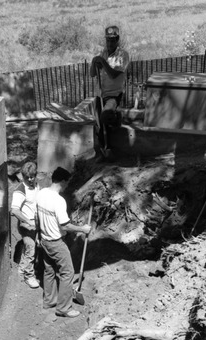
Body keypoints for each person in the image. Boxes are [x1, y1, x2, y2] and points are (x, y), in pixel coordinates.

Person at [36, 167, 91, 318]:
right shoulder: (58, 201)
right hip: (56, 242)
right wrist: (83, 229)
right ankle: (64, 308)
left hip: (44, 240)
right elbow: (65, 225)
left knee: (49, 270)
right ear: (63, 181)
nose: (67, 185)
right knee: (68, 273)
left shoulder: (41, 193)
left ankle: (49, 301)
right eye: (67, 182)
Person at [90, 25, 130, 134]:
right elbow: (92, 74)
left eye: (112, 41)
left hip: (113, 95)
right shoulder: (103, 53)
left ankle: (117, 118)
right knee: (100, 125)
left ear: (117, 40)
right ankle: (104, 147)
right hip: (100, 94)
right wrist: (94, 62)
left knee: (106, 116)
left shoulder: (122, 55)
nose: (109, 44)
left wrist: (103, 62)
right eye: (108, 40)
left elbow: (113, 74)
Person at [11, 161, 40, 289]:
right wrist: (28, 222)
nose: (30, 179)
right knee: (31, 249)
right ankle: (29, 276)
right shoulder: (20, 190)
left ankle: (23, 267)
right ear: (22, 176)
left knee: (33, 246)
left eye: (32, 176)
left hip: (36, 223)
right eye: (27, 177)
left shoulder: (36, 186)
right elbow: (15, 210)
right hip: (26, 226)